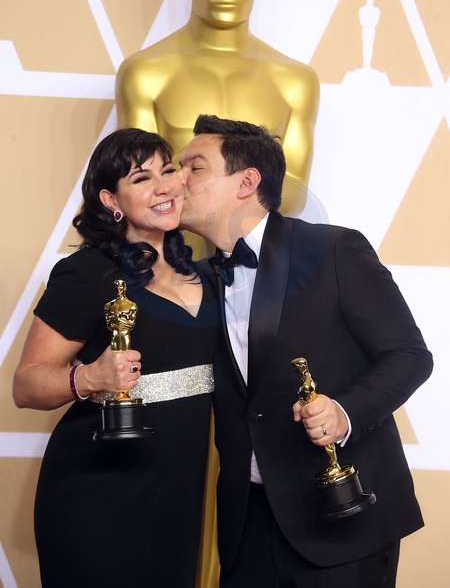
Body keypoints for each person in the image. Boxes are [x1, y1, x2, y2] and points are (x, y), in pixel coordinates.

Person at [179, 114, 433, 588]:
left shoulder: (333, 249)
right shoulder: (196, 281)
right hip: (246, 526)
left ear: (246, 182)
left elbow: (410, 355)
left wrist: (344, 412)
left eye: (194, 168)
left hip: (341, 518)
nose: (178, 180)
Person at [12, 128, 219, 588]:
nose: (164, 187)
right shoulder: (87, 274)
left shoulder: (209, 274)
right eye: (142, 179)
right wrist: (89, 377)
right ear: (111, 200)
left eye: (168, 171)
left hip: (178, 497)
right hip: (98, 496)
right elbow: (25, 385)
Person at [115, 0, 320, 224]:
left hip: (256, 251)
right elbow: (139, 185)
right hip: (171, 249)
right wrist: (236, 189)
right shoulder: (145, 73)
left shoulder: (295, 81)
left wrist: (209, 196)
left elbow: (294, 192)